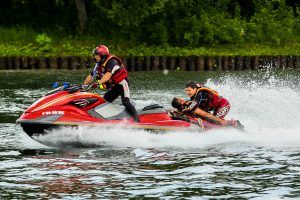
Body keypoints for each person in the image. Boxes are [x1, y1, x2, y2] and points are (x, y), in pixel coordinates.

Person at [83, 44, 139, 122]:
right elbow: (91, 76)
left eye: (96, 55)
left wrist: (98, 83)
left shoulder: (112, 62)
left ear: (102, 55)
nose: (94, 57)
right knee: (104, 101)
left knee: (126, 102)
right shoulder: (98, 65)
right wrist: (84, 85)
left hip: (122, 84)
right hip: (115, 86)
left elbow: (108, 75)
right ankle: (107, 119)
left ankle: (137, 121)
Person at [171, 97, 238, 127]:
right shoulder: (180, 110)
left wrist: (221, 121)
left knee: (220, 122)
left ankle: (233, 123)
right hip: (205, 118)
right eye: (180, 99)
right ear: (181, 101)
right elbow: (206, 115)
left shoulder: (191, 107)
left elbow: (206, 115)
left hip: (222, 106)